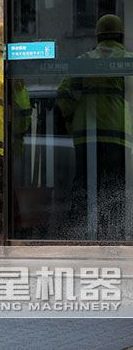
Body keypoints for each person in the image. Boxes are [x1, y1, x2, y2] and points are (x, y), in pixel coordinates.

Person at [56, 13, 133, 240]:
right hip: (119, 136)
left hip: (86, 136)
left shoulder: (83, 60)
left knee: (85, 185)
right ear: (120, 35)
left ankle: (81, 232)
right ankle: (116, 233)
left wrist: (72, 121)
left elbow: (63, 93)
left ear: (98, 36)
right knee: (115, 186)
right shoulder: (128, 60)